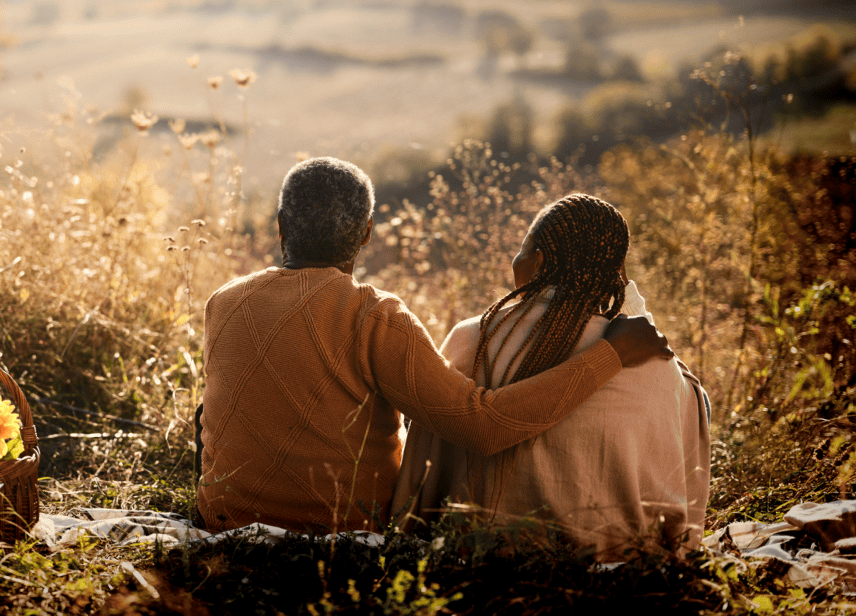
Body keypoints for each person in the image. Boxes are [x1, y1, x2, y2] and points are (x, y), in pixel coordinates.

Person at [196, 158, 672, 534]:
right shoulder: (374, 314)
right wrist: (612, 355)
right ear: (366, 234)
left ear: (280, 227)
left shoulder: (222, 302)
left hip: (223, 520)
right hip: (344, 530)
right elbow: (484, 426)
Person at [389, 193, 710, 559]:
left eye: (523, 249)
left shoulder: (474, 338)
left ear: (537, 259)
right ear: (617, 274)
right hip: (615, 557)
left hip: (483, 550)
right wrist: (630, 303)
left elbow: (430, 440)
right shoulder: (650, 360)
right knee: (692, 395)